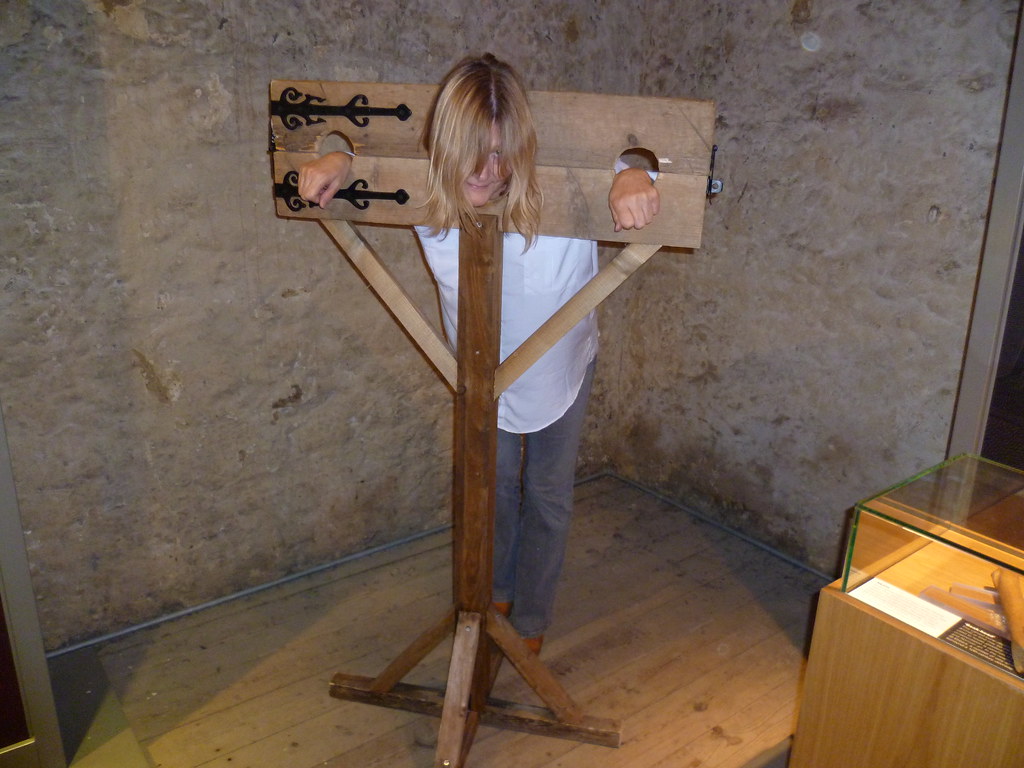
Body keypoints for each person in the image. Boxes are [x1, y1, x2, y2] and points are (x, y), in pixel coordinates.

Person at [298, 54, 659, 655]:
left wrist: (632, 174)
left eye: (502, 153)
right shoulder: (424, 177)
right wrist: (339, 156)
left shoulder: (552, 173)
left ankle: (533, 619)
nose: (489, 172)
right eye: (473, 151)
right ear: (445, 144)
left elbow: (628, 164)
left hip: (560, 362)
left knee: (545, 493)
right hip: (478, 366)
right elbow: (369, 150)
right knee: (487, 486)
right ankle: (496, 592)